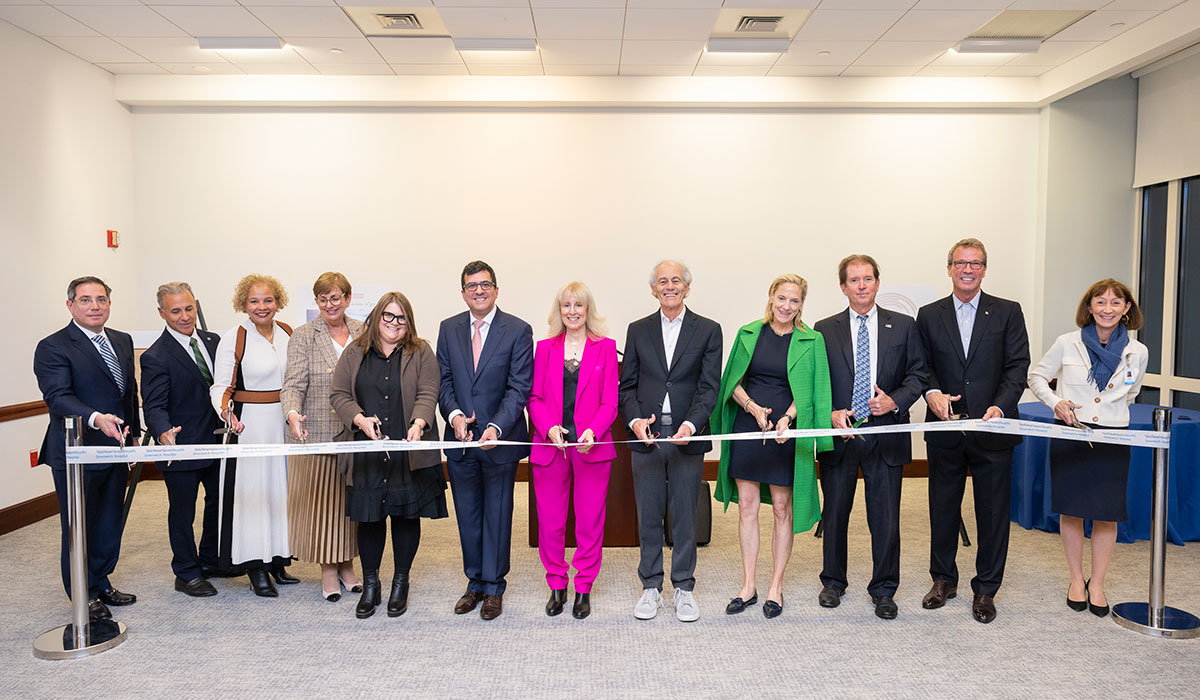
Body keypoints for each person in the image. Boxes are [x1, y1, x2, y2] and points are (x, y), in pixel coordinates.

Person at [916, 238, 1030, 624]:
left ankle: (986, 589)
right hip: (946, 429)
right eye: (961, 263)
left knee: (993, 513)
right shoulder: (928, 314)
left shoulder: (1008, 312)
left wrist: (1000, 405)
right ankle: (943, 580)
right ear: (948, 268)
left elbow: (1018, 366)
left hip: (993, 428)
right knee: (942, 509)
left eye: (976, 263)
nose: (968, 269)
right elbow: (922, 365)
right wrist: (931, 392)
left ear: (984, 269)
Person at [813, 256, 928, 620]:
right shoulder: (823, 329)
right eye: (853, 280)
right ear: (843, 286)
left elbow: (919, 375)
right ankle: (833, 582)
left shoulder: (905, 326)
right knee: (834, 515)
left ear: (878, 283)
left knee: (885, 517)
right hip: (841, 434)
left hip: (886, 434)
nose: (861, 285)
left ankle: (884, 589)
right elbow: (818, 382)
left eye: (867, 279)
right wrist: (830, 410)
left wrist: (894, 400)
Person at [711, 274, 832, 619]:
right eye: (782, 299)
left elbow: (814, 390)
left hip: (785, 432)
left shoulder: (812, 340)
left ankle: (775, 586)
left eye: (794, 301)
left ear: (801, 304)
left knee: (782, 508)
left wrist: (788, 419)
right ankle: (748, 585)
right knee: (747, 507)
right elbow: (731, 382)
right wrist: (751, 407)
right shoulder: (749, 333)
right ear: (771, 297)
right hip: (749, 427)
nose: (786, 307)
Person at [1028, 279, 1148, 618]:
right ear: (1089, 307)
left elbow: (1131, 391)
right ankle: (1077, 580)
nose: (1107, 308)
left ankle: (1098, 584)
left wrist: (1108, 412)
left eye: (1115, 302)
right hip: (1071, 431)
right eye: (1100, 302)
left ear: (1127, 309)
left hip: (1113, 436)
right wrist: (1056, 402)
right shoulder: (1068, 343)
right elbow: (1036, 377)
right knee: (1073, 509)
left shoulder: (1137, 351)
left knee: (1106, 512)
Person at [330, 292, 446, 619]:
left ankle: (400, 582)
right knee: (370, 519)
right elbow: (339, 394)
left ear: (408, 321)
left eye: (401, 318)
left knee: (405, 517)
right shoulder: (355, 352)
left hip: (407, 450)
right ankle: (370, 585)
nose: (394, 324)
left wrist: (419, 423)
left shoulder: (420, 351)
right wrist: (359, 419)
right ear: (377, 317)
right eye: (388, 317)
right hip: (367, 451)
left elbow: (428, 390)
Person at [619, 260, 723, 622]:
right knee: (648, 515)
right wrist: (634, 421)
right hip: (646, 436)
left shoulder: (708, 330)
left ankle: (683, 587)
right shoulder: (637, 330)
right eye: (662, 281)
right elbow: (626, 385)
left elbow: (710, 387)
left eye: (675, 280)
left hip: (686, 437)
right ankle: (650, 587)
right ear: (653, 289)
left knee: (683, 516)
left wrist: (692, 425)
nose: (669, 286)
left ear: (687, 287)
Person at [34, 276, 141, 621]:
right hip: (76, 451)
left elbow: (128, 391)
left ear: (109, 303)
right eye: (85, 300)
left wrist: (134, 434)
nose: (94, 306)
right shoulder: (53, 346)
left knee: (109, 521)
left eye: (100, 299)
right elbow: (58, 397)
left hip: (116, 448)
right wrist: (96, 418)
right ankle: (84, 592)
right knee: (79, 525)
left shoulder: (122, 340)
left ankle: (102, 580)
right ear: (70, 306)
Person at [437, 260, 534, 620]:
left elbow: (519, 387)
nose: (478, 290)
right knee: (468, 514)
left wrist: (496, 426)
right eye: (471, 285)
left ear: (496, 289)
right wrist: (455, 416)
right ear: (462, 292)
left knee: (497, 512)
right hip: (461, 438)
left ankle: (494, 586)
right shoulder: (448, 329)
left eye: (485, 284)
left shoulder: (518, 330)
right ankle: (474, 582)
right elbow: (443, 380)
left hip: (500, 439)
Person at [528, 282, 619, 620]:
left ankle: (583, 587)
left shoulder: (606, 348)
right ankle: (556, 584)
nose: (572, 311)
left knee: (589, 522)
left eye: (578, 305)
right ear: (559, 310)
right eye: (566, 305)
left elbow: (611, 400)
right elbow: (534, 398)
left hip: (591, 447)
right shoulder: (545, 348)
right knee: (550, 522)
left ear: (588, 310)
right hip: (550, 447)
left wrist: (594, 430)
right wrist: (549, 427)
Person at [210, 274, 294, 598]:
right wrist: (226, 412)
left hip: (283, 425)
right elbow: (221, 385)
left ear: (278, 302)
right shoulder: (235, 338)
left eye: (268, 300)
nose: (262, 307)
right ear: (243, 304)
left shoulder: (288, 333)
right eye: (254, 301)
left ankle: (278, 560)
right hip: (249, 426)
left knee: (280, 490)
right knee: (254, 493)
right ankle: (255, 567)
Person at [281, 272, 363, 602]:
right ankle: (328, 569)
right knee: (320, 507)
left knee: (350, 505)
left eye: (336, 297)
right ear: (316, 302)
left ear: (347, 298)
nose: (330, 304)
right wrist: (291, 414)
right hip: (315, 433)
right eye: (323, 299)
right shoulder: (303, 335)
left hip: (355, 433)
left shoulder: (362, 331)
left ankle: (347, 565)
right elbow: (293, 385)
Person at [139, 282, 223, 598]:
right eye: (175, 311)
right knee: (182, 512)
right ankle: (186, 573)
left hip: (219, 443)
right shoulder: (156, 356)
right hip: (181, 445)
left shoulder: (214, 342)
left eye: (189, 308)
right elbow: (154, 405)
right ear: (162, 313)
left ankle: (211, 560)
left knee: (219, 503)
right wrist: (162, 432)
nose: (185, 316)